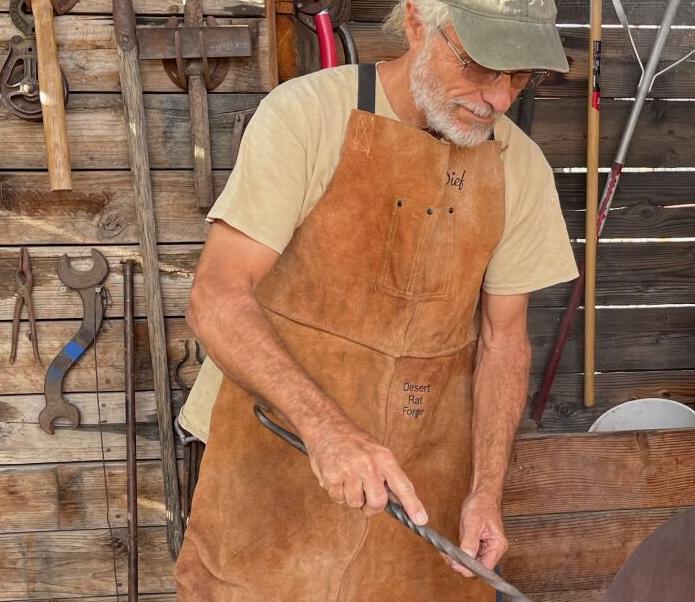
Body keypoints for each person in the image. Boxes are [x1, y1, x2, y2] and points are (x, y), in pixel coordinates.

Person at [172, 0, 576, 598]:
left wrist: (487, 489)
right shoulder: (307, 115)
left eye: (518, 77)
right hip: (274, 448)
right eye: (479, 66)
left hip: (422, 476)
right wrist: (327, 431)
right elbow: (217, 297)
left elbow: (503, 339)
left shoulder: (520, 168)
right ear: (417, 23)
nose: (497, 99)